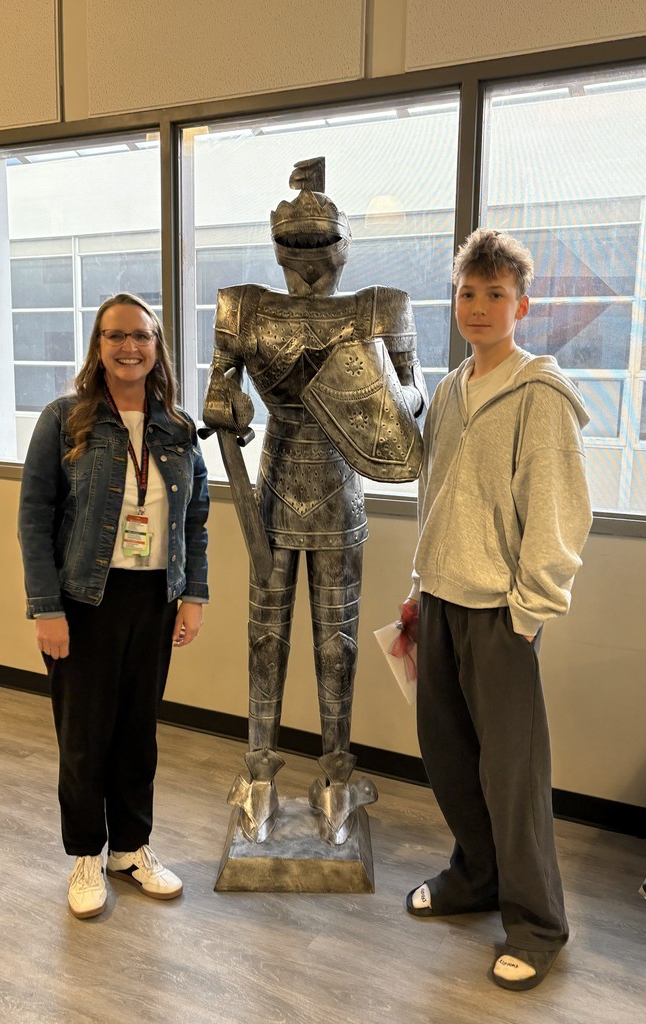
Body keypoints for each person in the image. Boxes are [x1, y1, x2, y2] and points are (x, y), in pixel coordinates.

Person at [202, 157, 427, 845]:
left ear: (342, 245)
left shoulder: (380, 307)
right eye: (294, 246)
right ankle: (260, 772)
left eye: (318, 245)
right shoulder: (242, 306)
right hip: (271, 485)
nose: (307, 260)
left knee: (338, 643)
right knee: (265, 636)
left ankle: (335, 774)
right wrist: (227, 404)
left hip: (340, 486)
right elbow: (218, 392)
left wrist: (383, 398)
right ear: (277, 247)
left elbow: (415, 403)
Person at [402, 229, 592, 990]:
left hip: (501, 613)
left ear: (522, 303)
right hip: (440, 601)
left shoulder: (539, 395)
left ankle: (538, 923)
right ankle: (474, 876)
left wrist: (531, 607)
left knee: (512, 774)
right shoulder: (450, 392)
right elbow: (436, 496)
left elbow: (557, 509)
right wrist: (419, 584)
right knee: (447, 756)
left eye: (494, 295)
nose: (478, 307)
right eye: (466, 293)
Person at [18, 292, 209, 919]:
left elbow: (196, 523)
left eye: (142, 336)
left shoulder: (177, 429)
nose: (130, 347)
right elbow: (34, 519)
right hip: (83, 601)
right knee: (83, 735)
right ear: (98, 347)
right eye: (115, 336)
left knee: (138, 732)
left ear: (158, 348)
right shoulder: (64, 419)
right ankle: (86, 855)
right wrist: (47, 608)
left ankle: (131, 848)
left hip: (154, 596)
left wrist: (194, 596)